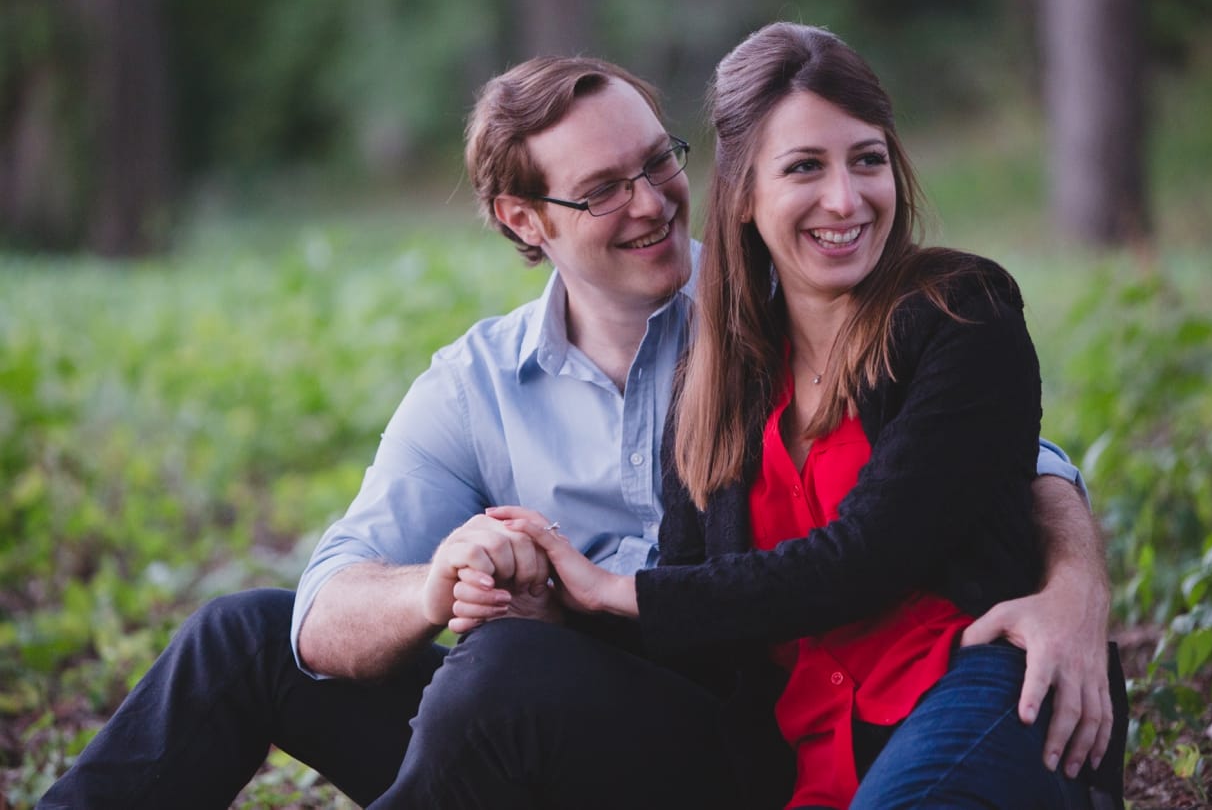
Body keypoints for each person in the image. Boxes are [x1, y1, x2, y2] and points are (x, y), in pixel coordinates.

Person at [39, 54, 1114, 810]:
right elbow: (326, 608)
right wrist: (439, 585)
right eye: (603, 189)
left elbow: (988, 454)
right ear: (524, 219)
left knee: (500, 674)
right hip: (545, 698)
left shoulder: (770, 293)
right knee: (248, 635)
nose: (652, 204)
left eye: (661, 161)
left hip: (707, 714)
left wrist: (1074, 582)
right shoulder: (476, 384)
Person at [443, 24, 1127, 809]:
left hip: (981, 691)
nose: (845, 198)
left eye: (867, 159)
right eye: (805, 167)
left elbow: (867, 554)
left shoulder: (961, 315)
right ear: (744, 195)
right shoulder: (717, 382)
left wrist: (610, 589)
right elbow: (703, 633)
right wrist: (557, 609)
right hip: (803, 766)